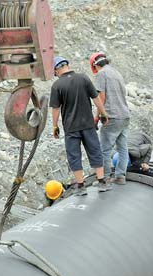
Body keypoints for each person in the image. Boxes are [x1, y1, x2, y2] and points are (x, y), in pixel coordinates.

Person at [50, 56, 111, 196]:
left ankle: (81, 186)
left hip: (71, 128)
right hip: (88, 124)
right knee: (95, 150)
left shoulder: (57, 85)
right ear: (67, 65)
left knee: (74, 155)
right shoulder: (83, 78)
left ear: (56, 70)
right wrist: (103, 113)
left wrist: (54, 126)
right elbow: (96, 98)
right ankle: (101, 182)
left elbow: (55, 108)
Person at [89, 52, 130, 185]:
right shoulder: (117, 73)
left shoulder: (102, 74)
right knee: (122, 148)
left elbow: (101, 97)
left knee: (104, 149)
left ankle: (105, 178)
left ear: (94, 66)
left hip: (112, 117)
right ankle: (120, 176)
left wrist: (97, 116)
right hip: (125, 115)